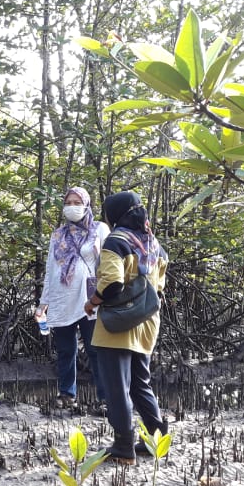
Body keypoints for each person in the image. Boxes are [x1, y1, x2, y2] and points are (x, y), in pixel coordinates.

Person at [85, 190, 170, 465]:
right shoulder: (154, 243)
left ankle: (123, 446)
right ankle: (155, 441)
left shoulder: (116, 241)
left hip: (118, 325)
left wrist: (92, 302)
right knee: (140, 383)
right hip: (146, 323)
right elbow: (159, 286)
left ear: (114, 215)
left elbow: (112, 283)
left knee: (117, 387)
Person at [36, 187, 109, 414]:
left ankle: (105, 397)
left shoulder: (100, 230)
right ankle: (67, 394)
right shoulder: (57, 234)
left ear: (86, 204)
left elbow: (109, 265)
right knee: (66, 350)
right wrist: (43, 304)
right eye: (68, 202)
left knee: (95, 349)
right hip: (61, 299)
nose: (72, 206)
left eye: (77, 201)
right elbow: (50, 270)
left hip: (89, 299)